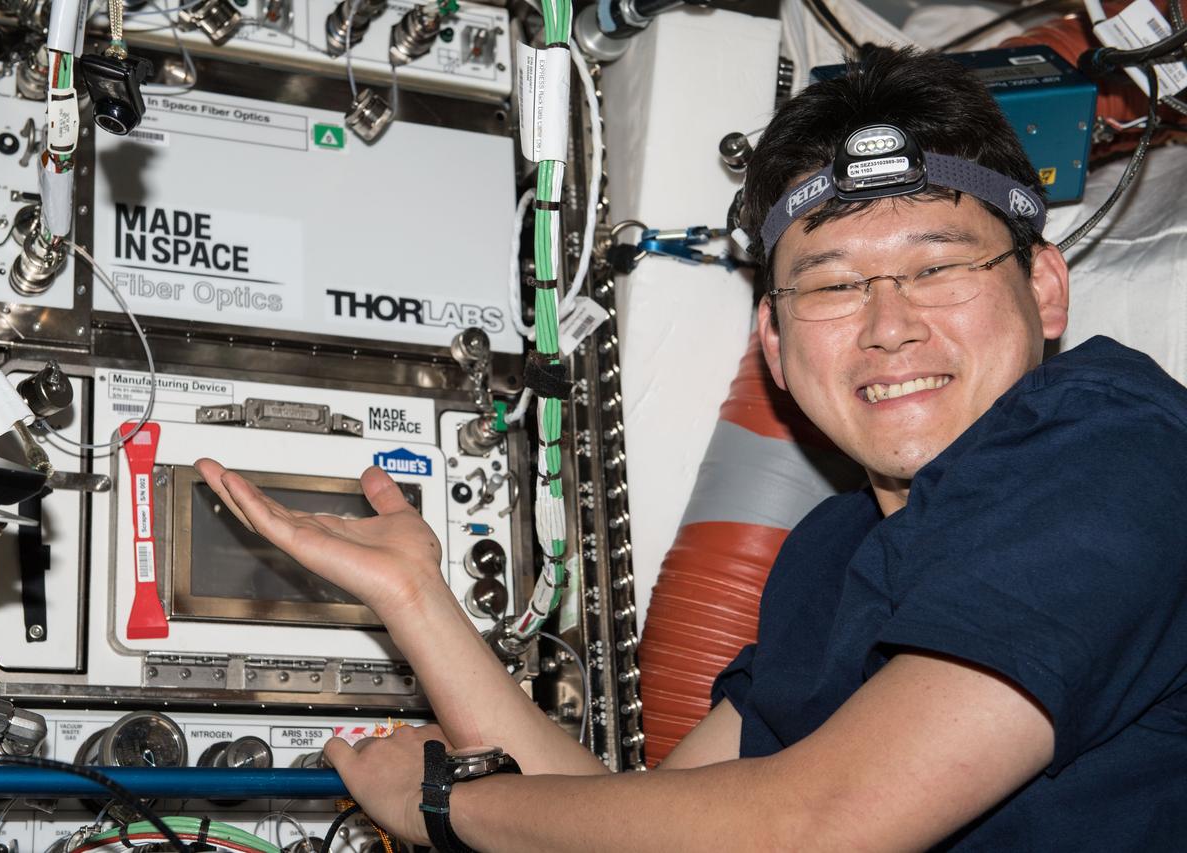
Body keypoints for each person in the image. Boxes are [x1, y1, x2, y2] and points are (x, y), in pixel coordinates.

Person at [195, 46, 1187, 850]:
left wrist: (449, 809)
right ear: (774, 347)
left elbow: (814, 824)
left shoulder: (1114, 452)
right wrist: (416, 601)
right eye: (833, 284)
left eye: (939, 266)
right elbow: (644, 818)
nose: (889, 325)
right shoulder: (828, 552)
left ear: (1044, 290)